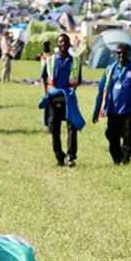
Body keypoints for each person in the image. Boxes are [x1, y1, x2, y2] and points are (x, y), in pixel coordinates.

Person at [91, 44, 131, 164]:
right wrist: (96, 111)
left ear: (129, 54)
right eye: (119, 53)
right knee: (111, 136)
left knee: (128, 137)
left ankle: (126, 160)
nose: (121, 55)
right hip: (113, 110)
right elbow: (101, 91)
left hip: (129, 111)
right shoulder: (110, 70)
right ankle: (117, 158)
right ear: (116, 54)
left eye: (124, 53)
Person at [40, 33, 83, 167]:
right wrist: (46, 93)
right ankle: (59, 156)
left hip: (69, 99)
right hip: (54, 98)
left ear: (69, 44)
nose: (63, 44)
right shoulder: (51, 60)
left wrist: (72, 90)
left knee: (72, 127)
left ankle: (71, 156)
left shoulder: (75, 61)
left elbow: (78, 80)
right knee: (55, 129)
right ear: (57, 45)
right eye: (60, 42)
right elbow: (43, 77)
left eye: (65, 42)